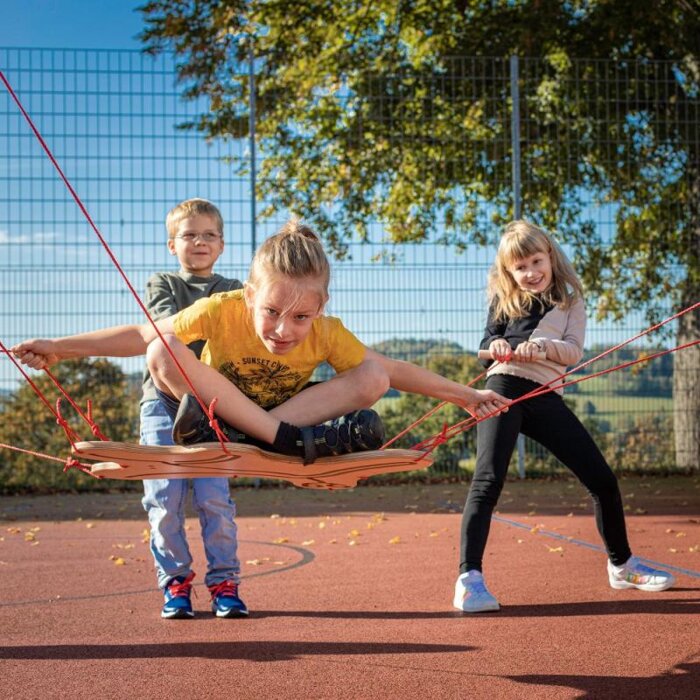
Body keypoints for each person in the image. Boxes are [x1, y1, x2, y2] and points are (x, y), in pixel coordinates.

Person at [454, 220, 675, 613]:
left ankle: (622, 566)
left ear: (550, 257)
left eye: (536, 261)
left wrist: (542, 347)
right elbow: (485, 346)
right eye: (519, 267)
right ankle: (469, 579)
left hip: (544, 394)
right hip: (503, 387)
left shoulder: (570, 301)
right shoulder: (504, 301)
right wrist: (499, 344)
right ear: (508, 272)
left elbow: (573, 352)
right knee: (487, 480)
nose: (530, 272)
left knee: (602, 480)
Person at [139, 198, 246, 620]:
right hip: (161, 404)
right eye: (189, 235)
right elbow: (174, 328)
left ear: (221, 244)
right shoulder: (161, 283)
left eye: (209, 235)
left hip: (215, 404)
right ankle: (175, 584)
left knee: (214, 499)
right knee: (164, 499)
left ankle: (224, 582)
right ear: (172, 245)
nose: (199, 242)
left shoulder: (234, 287)